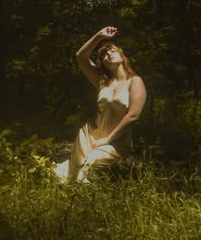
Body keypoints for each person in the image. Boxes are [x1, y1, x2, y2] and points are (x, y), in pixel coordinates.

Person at [55, 27, 147, 182]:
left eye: (112, 51)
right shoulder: (102, 82)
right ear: (102, 63)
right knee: (73, 176)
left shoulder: (135, 81)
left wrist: (108, 139)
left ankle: (89, 203)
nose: (108, 55)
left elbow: (133, 115)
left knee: (89, 165)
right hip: (89, 135)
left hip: (116, 141)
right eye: (103, 55)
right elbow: (80, 56)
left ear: (122, 56)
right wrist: (99, 36)